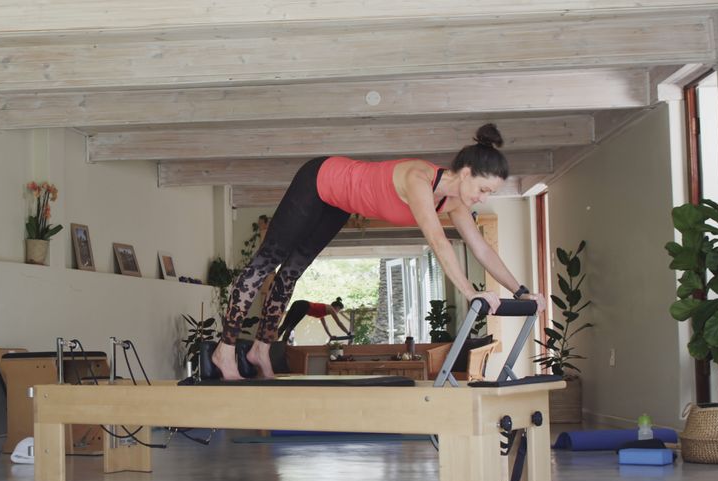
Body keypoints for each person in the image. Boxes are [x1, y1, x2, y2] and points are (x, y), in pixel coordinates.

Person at [211, 123, 546, 380]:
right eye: (483, 188)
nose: (483, 197)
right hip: (320, 180)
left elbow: (483, 249)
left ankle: (260, 349)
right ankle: (225, 351)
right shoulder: (419, 179)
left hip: (339, 204)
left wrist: (521, 290)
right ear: (467, 173)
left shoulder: (455, 202)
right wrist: (472, 292)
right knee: (267, 261)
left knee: (292, 271)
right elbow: (438, 241)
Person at [277, 297, 350, 344]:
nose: (338, 312)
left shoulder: (324, 311)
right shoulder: (331, 309)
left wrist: (330, 335)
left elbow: (325, 326)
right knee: (290, 327)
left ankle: (275, 341)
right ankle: (282, 345)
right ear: (337, 307)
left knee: (285, 325)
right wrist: (348, 332)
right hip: (303, 306)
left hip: (298, 303)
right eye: (339, 310)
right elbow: (339, 323)